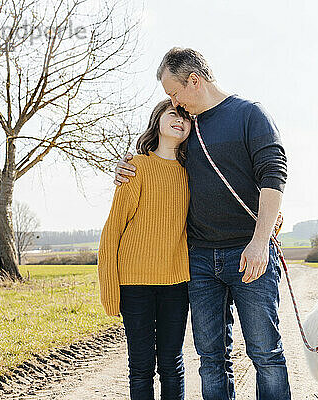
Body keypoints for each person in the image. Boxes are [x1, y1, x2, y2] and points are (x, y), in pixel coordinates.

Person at [115, 47, 291, 400]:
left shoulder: (249, 114)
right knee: (211, 359)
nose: (174, 103)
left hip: (248, 251)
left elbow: (274, 173)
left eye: (174, 92)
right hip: (199, 260)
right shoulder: (186, 128)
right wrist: (125, 168)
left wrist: (260, 241)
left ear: (193, 81)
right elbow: (161, 167)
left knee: (265, 354)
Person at [98, 99, 193, 400]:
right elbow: (112, 230)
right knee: (140, 367)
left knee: (172, 364)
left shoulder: (191, 173)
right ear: (157, 121)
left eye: (185, 117)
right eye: (172, 114)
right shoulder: (135, 168)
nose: (179, 120)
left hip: (176, 283)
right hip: (134, 283)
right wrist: (109, 291)